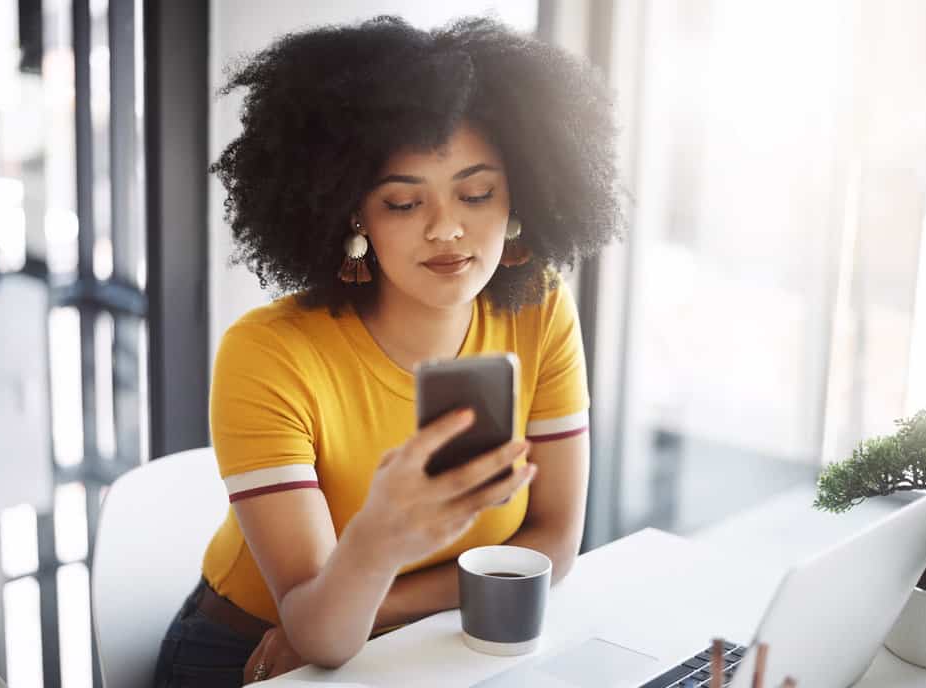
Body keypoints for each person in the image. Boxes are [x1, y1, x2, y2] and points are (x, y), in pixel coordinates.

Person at [153, 14, 620, 688]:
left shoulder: (539, 308)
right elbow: (319, 634)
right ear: (354, 215)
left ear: (520, 194)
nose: (448, 228)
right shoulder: (269, 354)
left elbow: (552, 543)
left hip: (433, 640)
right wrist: (380, 534)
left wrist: (385, 603)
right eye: (404, 203)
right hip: (259, 658)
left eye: (477, 193)